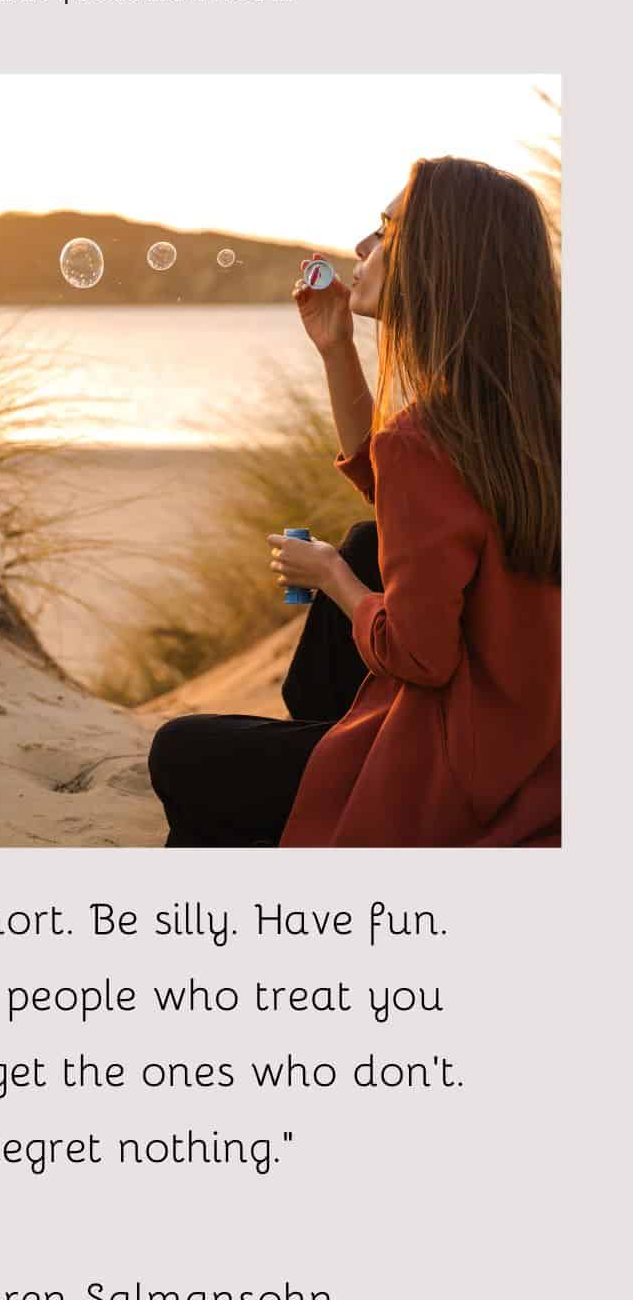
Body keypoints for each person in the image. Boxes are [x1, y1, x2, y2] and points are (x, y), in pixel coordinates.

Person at [148, 156, 561, 847]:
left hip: (453, 766)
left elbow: (421, 657)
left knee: (180, 752)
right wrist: (338, 349)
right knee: (371, 538)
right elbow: (412, 503)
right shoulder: (531, 416)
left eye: (384, 231)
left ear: (436, 261)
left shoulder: (430, 438)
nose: (362, 250)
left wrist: (330, 578)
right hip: (532, 740)